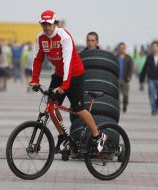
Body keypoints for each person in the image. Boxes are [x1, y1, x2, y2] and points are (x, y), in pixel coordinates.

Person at [29, 10, 106, 153]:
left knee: (78, 109)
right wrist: (34, 80)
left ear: (55, 24)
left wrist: (64, 86)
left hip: (75, 74)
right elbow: (38, 59)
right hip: (59, 74)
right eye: (44, 24)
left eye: (49, 24)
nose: (46, 27)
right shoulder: (41, 38)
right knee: (51, 106)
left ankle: (98, 135)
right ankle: (62, 136)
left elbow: (68, 62)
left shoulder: (64, 37)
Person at [140, 41, 158, 116]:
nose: (154, 48)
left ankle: (156, 107)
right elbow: (144, 68)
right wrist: (141, 80)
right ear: (151, 48)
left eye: (156, 46)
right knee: (151, 94)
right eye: (153, 47)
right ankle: (153, 110)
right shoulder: (149, 57)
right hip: (151, 79)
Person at [117, 42, 134, 113]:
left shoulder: (128, 58)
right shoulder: (115, 57)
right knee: (117, 96)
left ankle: (125, 105)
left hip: (125, 79)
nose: (121, 49)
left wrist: (129, 76)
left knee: (125, 95)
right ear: (118, 48)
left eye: (123, 48)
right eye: (120, 48)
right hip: (117, 79)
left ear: (125, 48)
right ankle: (118, 108)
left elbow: (131, 68)